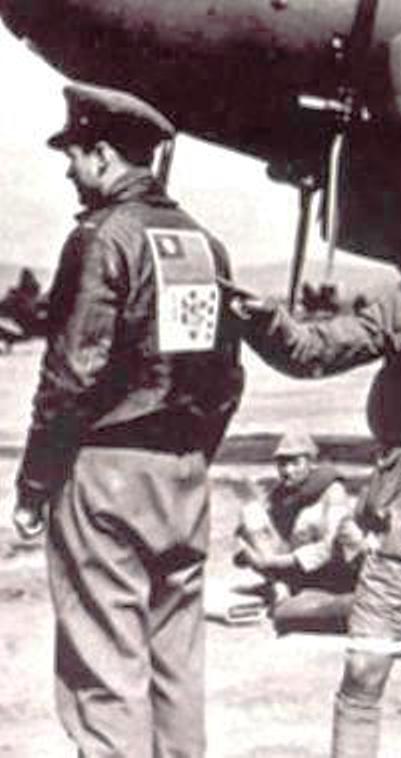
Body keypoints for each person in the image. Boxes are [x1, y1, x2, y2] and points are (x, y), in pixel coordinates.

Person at [229, 167, 401, 757]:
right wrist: (268, 322)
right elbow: (317, 351)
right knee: (363, 667)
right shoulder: (398, 302)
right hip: (400, 503)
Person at [11, 82, 244, 757]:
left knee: (105, 673)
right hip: (184, 479)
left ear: (105, 155)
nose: (69, 170)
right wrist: (193, 456)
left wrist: (35, 483)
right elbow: (228, 377)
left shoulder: (101, 238)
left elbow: (72, 375)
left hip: (106, 474)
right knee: (177, 666)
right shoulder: (205, 244)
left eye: (76, 155)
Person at [234, 427, 366, 634]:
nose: (287, 471)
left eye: (295, 463)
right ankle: (281, 589)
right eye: (282, 463)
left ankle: (336, 606)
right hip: (296, 573)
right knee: (251, 512)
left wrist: (273, 562)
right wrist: (246, 551)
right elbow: (258, 537)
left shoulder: (333, 491)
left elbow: (330, 548)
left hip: (336, 572)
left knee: (292, 614)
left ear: (311, 463)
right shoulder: (280, 494)